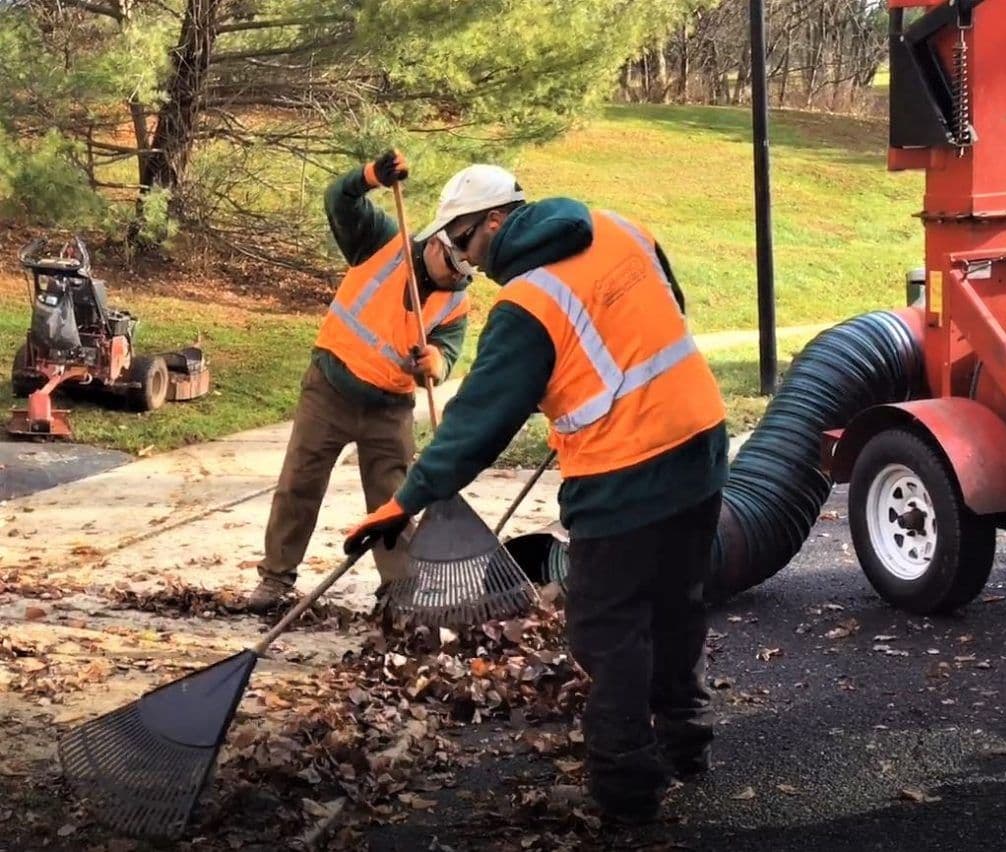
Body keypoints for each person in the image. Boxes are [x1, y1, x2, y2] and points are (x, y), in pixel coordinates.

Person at [344, 163, 729, 822]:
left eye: (465, 242)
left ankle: (626, 788)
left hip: (625, 475)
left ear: (495, 220)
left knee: (610, 630)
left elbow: (477, 420)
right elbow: (672, 306)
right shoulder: (619, 228)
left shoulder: (528, 302)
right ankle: (685, 740)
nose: (465, 260)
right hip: (702, 443)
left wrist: (406, 499)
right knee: (678, 601)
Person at [248, 150, 470, 611]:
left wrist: (435, 365)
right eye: (452, 265)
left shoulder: (456, 302)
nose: (455, 279)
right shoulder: (383, 241)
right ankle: (275, 579)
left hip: (390, 408)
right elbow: (338, 199)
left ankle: (398, 590)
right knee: (300, 483)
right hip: (330, 387)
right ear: (435, 241)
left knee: (394, 498)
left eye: (465, 273)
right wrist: (371, 176)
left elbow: (447, 353)